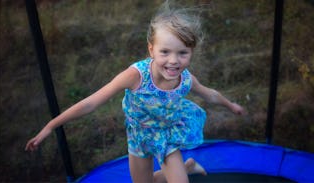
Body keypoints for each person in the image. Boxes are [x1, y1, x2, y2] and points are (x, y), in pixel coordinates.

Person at [26, 2, 245, 183]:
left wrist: (230, 105)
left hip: (166, 136)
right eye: (165, 52)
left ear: (191, 52)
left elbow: (210, 94)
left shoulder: (185, 79)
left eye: (182, 53)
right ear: (151, 49)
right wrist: (50, 126)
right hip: (139, 137)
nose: (173, 61)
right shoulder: (136, 76)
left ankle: (181, 170)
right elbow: (90, 103)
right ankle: (189, 167)